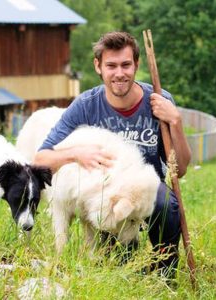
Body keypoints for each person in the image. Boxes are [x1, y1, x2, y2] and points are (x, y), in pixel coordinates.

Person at [34, 31, 191, 278]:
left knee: (164, 202)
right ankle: (122, 258)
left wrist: (176, 121)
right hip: (106, 199)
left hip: (142, 196)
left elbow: (178, 170)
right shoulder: (86, 105)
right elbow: (40, 160)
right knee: (116, 268)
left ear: (136, 65)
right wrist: (75, 153)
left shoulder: (159, 101)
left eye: (126, 65)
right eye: (111, 65)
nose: (120, 73)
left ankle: (165, 269)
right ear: (98, 66)